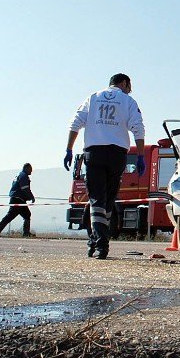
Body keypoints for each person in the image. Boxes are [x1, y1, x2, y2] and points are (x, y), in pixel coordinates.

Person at [65, 73, 145, 260]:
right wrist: (140, 155)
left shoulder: (93, 97)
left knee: (96, 198)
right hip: (117, 155)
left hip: (94, 153)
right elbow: (138, 128)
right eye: (129, 87)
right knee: (108, 198)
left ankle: (97, 241)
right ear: (124, 83)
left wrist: (69, 149)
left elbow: (75, 123)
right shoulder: (128, 101)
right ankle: (100, 242)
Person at [0, 163, 36, 237]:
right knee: (9, 217)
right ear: (26, 168)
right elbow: (25, 189)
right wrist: (31, 197)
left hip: (18, 199)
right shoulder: (23, 176)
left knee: (27, 215)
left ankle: (26, 233)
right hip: (18, 200)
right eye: (30, 169)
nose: (31, 171)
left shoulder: (19, 175)